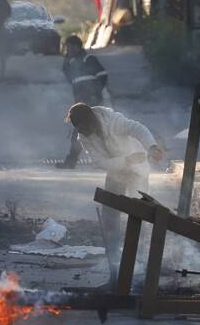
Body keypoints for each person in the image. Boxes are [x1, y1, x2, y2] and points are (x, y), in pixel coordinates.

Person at [64, 102, 163, 274]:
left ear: (91, 121)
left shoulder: (113, 121)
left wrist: (151, 146)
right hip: (116, 172)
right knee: (109, 214)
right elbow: (100, 162)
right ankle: (113, 258)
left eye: (83, 128)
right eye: (78, 129)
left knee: (140, 212)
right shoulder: (83, 137)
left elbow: (137, 129)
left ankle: (139, 259)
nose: (82, 133)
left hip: (137, 171)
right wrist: (126, 161)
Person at [56, 35, 110, 169]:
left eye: (70, 47)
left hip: (92, 102)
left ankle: (72, 162)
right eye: (66, 48)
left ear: (77, 46)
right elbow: (68, 76)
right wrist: (66, 60)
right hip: (80, 104)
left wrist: (95, 94)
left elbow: (103, 75)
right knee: (85, 131)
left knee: (94, 131)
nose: (68, 50)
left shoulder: (89, 59)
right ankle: (72, 162)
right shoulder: (73, 64)